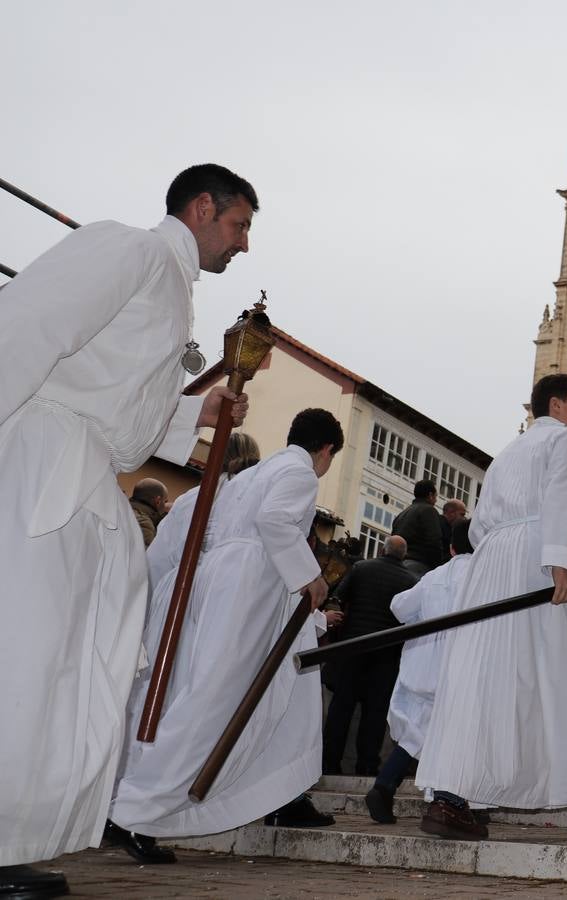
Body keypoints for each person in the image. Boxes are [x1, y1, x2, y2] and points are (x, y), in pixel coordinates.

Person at [0, 164, 256, 896]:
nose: (242, 245)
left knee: (54, 659)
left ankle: (9, 833)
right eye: (239, 226)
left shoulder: (172, 290)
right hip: (40, 466)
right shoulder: (129, 249)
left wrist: (192, 414)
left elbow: (115, 404)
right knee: (22, 646)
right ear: (203, 207)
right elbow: (25, 328)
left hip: (82, 470)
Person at [108, 408, 343, 859]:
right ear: (327, 450)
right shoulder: (299, 473)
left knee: (212, 695)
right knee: (211, 703)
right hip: (248, 587)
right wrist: (310, 579)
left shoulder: (256, 473)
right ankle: (135, 811)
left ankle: (140, 804)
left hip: (220, 581)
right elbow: (275, 523)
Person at [416, 375, 567, 840]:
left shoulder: (509, 452)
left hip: (491, 562)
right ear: (556, 405)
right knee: (564, 671)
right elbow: (562, 500)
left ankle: (452, 799)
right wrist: (558, 563)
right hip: (538, 558)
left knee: (484, 675)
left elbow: (477, 529)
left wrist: (499, 555)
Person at [365, 519, 475, 824]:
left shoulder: (434, 576)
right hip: (461, 664)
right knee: (451, 733)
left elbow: (400, 607)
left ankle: (386, 785)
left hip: (425, 663)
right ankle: (451, 801)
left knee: (419, 732)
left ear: (451, 547)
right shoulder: (482, 576)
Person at [321, 535, 420, 775]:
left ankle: (330, 763)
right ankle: (366, 766)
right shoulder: (410, 580)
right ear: (403, 555)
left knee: (341, 709)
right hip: (386, 655)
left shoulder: (361, 568)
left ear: (382, 550)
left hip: (353, 648)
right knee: (374, 714)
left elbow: (338, 598)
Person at [147, 432, 262, 595]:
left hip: (175, 593)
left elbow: (158, 558)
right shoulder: (258, 503)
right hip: (224, 599)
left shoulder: (190, 499)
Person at [392, 479, 445, 577]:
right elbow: (434, 541)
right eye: (436, 496)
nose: (436, 500)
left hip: (398, 564)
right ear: (430, 495)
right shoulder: (429, 511)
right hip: (419, 565)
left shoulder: (402, 514)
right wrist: (438, 567)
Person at [128, 478, 169, 547]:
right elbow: (143, 556)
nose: (165, 505)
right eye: (165, 501)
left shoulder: (122, 508)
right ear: (158, 501)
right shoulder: (144, 524)